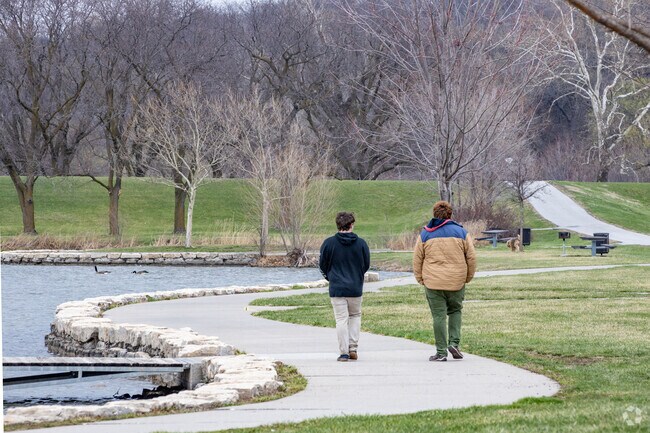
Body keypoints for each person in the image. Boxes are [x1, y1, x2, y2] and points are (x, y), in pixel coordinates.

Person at [413, 201, 476, 362]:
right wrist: (468, 276)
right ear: (450, 214)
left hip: (433, 281)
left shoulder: (425, 234)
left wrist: (420, 277)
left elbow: (417, 258)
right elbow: (471, 257)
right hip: (456, 280)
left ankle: (441, 352)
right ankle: (454, 342)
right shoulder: (461, 232)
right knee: (455, 310)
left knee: (438, 316)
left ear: (435, 214)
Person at [319, 212, 370, 362]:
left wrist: (331, 277)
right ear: (351, 225)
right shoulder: (361, 244)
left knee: (341, 319)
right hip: (355, 286)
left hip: (337, 288)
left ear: (337, 225)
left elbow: (322, 265)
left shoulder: (328, 243)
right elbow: (366, 264)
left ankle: (343, 352)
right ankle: (353, 347)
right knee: (355, 316)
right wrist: (357, 275)